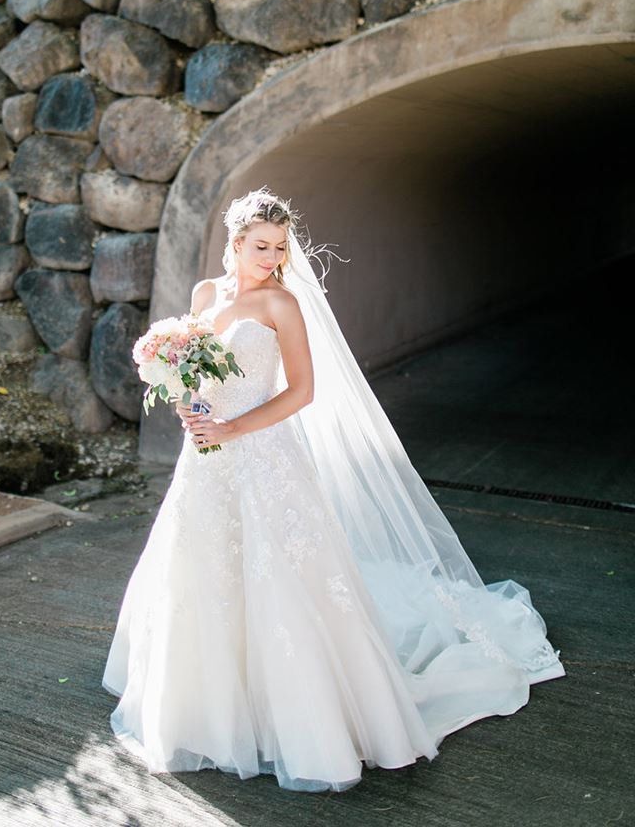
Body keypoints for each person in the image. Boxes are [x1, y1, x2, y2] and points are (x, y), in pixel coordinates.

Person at [102, 186, 564, 792]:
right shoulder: (205, 296)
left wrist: (234, 427)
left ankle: (303, 715)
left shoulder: (282, 303)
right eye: (261, 246)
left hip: (263, 454)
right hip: (206, 456)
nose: (272, 257)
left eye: (279, 247)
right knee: (203, 569)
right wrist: (191, 406)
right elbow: (194, 373)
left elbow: (302, 391)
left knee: (281, 577)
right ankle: (211, 710)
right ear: (234, 243)